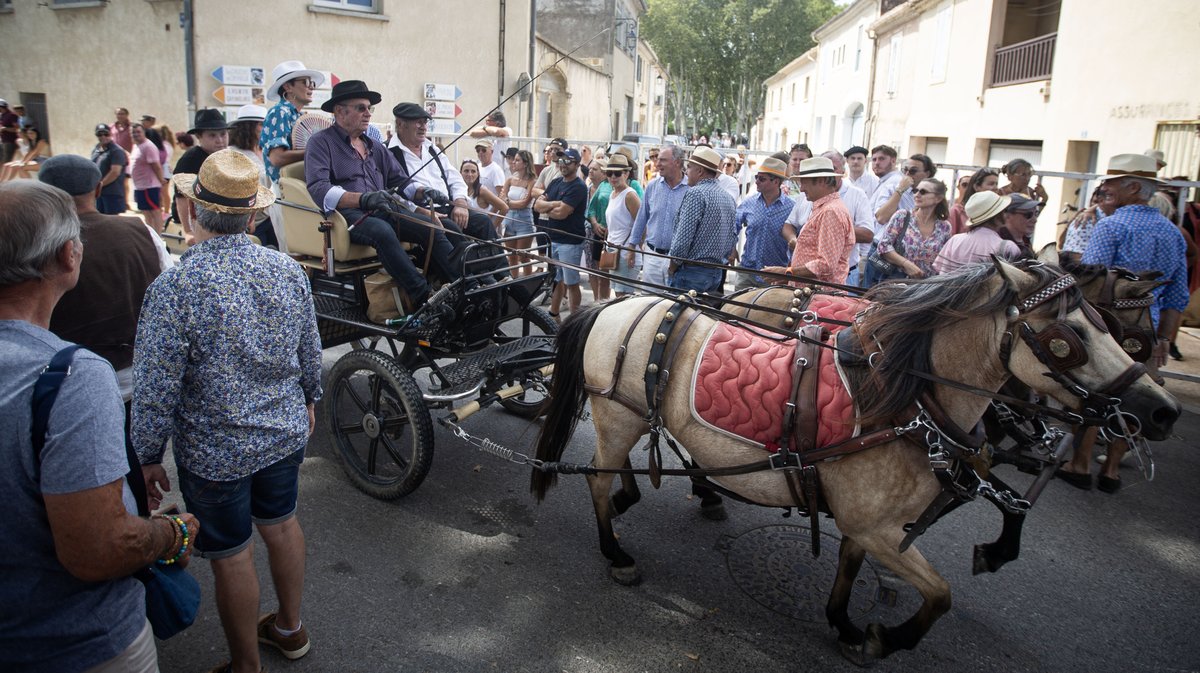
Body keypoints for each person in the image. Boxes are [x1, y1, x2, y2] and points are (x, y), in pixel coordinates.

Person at [0, 179, 198, 673]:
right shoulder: (68, 375)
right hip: (70, 639)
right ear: (69, 256)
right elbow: (98, 549)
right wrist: (171, 534)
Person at [134, 150, 319, 672]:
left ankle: (245, 666)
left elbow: (155, 385)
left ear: (192, 209)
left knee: (232, 554)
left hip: (214, 452)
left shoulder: (176, 286)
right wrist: (309, 399)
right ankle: (289, 628)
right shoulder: (287, 270)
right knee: (282, 525)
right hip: (281, 431)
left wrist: (148, 454)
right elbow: (310, 349)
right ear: (254, 215)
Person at [38, 153, 171, 435]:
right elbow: (168, 298)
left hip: (65, 384)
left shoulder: (33, 245)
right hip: (136, 379)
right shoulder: (141, 231)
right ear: (98, 189)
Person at [306, 80, 459, 310]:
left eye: (369, 108)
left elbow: (399, 180)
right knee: (382, 231)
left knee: (434, 226)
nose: (368, 113)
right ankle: (424, 297)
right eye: (361, 108)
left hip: (383, 209)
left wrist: (421, 191)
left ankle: (463, 287)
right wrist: (361, 198)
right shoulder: (321, 143)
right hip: (348, 217)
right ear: (339, 111)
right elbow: (319, 188)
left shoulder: (375, 146)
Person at [1083, 153, 1189, 393]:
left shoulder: (1111, 226)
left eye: (1111, 182)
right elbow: (1177, 295)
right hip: (1148, 336)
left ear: (1134, 187)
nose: (1105, 187)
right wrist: (1163, 338)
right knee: (1141, 403)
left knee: (1096, 401)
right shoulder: (1173, 233)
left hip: (1108, 333)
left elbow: (1090, 284)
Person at [387, 102, 502, 252]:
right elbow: (391, 193)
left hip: (448, 207)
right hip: (420, 212)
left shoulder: (432, 149)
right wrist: (420, 211)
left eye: (425, 122)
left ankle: (501, 273)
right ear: (401, 124)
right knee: (451, 228)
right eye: (418, 122)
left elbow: (454, 177)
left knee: (483, 221)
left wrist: (460, 203)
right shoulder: (388, 152)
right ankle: (473, 272)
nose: (423, 127)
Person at [763, 156, 854, 285]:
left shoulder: (830, 211)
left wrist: (787, 272)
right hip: (810, 293)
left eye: (805, 182)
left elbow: (826, 265)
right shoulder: (826, 208)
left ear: (822, 181)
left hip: (817, 296)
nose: (801, 189)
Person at [668, 146, 737, 293]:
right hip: (715, 273)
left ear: (700, 171)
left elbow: (682, 240)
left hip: (692, 273)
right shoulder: (727, 197)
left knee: (678, 315)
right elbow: (732, 237)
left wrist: (672, 266)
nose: (686, 172)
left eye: (689, 167)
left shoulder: (696, 194)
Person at [533, 148, 589, 319]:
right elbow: (537, 205)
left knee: (572, 282)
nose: (563, 164)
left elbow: (561, 213)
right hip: (554, 238)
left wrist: (549, 206)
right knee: (557, 279)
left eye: (568, 161)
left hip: (570, 241)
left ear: (578, 164)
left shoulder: (579, 187)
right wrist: (556, 204)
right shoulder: (556, 182)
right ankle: (553, 314)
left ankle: (574, 321)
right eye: (561, 160)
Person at [628, 144, 689, 288]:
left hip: (678, 261)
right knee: (650, 302)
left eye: (663, 160)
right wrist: (632, 246)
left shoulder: (691, 190)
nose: (657, 164)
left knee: (673, 305)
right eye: (658, 160)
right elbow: (642, 217)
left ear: (677, 162)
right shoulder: (652, 186)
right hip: (652, 257)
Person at [871, 178, 953, 279]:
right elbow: (883, 246)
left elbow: (944, 260)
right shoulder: (902, 216)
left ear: (938, 198)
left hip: (928, 286)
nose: (917, 194)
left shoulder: (945, 227)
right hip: (898, 282)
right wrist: (906, 264)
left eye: (923, 192)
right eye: (915, 190)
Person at [733, 156, 793, 290]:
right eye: (756, 177)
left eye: (762, 179)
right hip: (747, 272)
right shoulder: (749, 202)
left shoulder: (791, 207)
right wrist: (732, 247)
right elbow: (734, 224)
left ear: (776, 181)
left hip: (774, 276)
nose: (757, 182)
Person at [261, 60, 325, 184]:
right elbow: (277, 158)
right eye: (305, 82)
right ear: (287, 86)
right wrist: (316, 150)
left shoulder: (297, 115)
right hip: (285, 191)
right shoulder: (279, 112)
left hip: (298, 185)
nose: (312, 86)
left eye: (312, 83)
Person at [172, 109, 231, 242]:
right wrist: (188, 231)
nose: (220, 140)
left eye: (223, 134)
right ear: (199, 137)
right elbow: (181, 198)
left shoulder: (225, 156)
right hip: (197, 220)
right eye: (212, 135)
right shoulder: (190, 160)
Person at [933, 191, 1022, 274]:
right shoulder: (1008, 247)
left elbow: (942, 276)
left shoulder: (955, 241)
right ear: (997, 215)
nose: (1006, 214)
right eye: (1004, 210)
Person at [229, 104, 278, 248]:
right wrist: (248, 217)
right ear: (248, 127)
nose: (266, 128)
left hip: (271, 216)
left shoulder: (266, 151)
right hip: (251, 220)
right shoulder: (234, 153)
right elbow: (236, 188)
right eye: (262, 124)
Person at [602, 152, 642, 298]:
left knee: (623, 297)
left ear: (626, 174)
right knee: (618, 294)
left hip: (626, 253)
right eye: (609, 173)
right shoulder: (613, 194)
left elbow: (641, 225)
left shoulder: (630, 195)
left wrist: (634, 250)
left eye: (617, 173)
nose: (613, 177)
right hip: (613, 251)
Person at [499, 148, 538, 277]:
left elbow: (524, 203)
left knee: (524, 256)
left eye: (517, 160)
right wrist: (508, 202)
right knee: (512, 256)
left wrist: (507, 202)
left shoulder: (532, 181)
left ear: (525, 163)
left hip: (524, 221)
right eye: (513, 160)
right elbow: (501, 198)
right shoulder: (510, 180)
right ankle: (514, 283)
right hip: (509, 219)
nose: (513, 162)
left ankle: (527, 282)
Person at [874, 152, 936, 226]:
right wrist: (900, 190)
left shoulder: (933, 196)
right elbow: (881, 218)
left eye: (913, 171)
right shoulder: (891, 189)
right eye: (905, 170)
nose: (907, 174)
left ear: (927, 174)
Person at [129, 123, 166, 233]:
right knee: (146, 212)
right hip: (139, 186)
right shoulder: (136, 145)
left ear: (144, 132)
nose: (135, 134)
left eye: (138, 132)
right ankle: (151, 234)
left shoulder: (149, 146)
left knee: (154, 212)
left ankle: (158, 235)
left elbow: (156, 165)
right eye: (133, 132)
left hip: (149, 186)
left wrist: (161, 180)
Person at [459, 159, 508, 230]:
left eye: (473, 171)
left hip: (481, 235)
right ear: (460, 173)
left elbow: (504, 208)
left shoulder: (482, 190)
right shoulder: (458, 190)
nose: (470, 174)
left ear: (478, 174)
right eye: (466, 171)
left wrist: (492, 229)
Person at [92, 122, 130, 215]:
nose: (103, 136)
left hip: (112, 192)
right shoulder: (97, 149)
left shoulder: (116, 151)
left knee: (112, 221)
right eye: (99, 134)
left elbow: (115, 172)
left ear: (111, 134)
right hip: (99, 193)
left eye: (106, 134)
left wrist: (100, 185)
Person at [948, 167, 1000, 234]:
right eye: (991, 184)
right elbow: (950, 238)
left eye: (996, 184)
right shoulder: (957, 211)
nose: (996, 188)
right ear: (976, 187)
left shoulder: (997, 211)